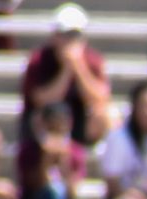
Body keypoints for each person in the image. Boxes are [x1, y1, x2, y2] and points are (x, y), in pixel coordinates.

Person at [19, 100, 110, 199]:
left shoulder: (75, 151)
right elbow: (34, 186)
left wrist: (64, 162)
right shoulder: (29, 149)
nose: (58, 131)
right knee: (54, 191)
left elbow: (71, 196)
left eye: (62, 125)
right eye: (53, 125)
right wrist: (46, 159)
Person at [23, 3, 116, 147]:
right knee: (40, 117)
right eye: (65, 35)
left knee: (108, 114)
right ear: (55, 36)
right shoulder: (39, 60)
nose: (70, 40)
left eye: (75, 35)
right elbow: (40, 100)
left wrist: (78, 67)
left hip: (80, 120)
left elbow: (101, 97)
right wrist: (66, 71)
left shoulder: (93, 60)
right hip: (49, 122)